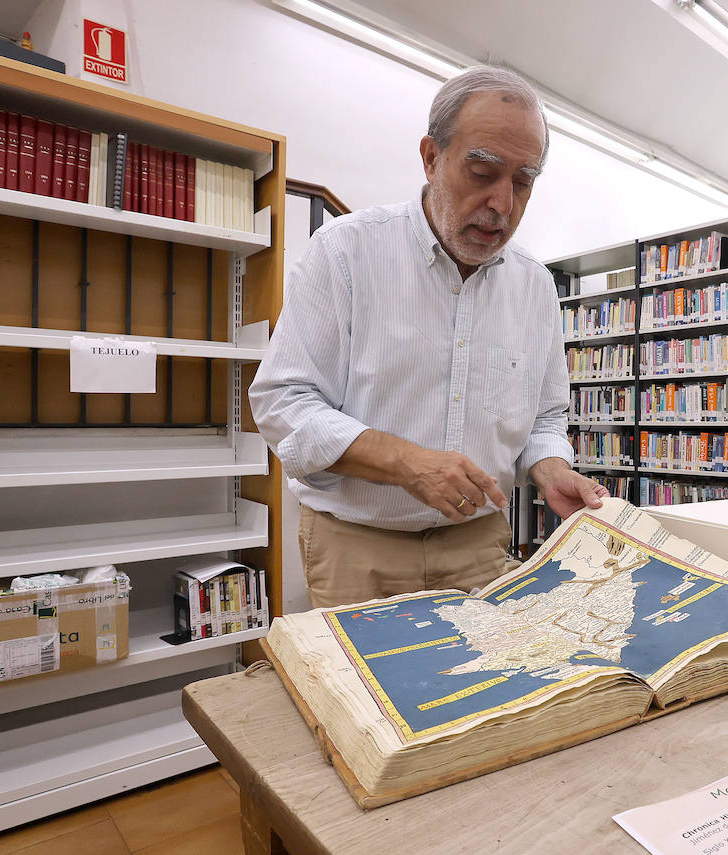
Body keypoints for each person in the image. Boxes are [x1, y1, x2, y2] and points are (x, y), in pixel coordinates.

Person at [250, 65, 608, 609]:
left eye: (523, 180)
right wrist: (406, 462)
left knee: (490, 692)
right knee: (365, 694)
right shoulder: (345, 252)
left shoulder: (534, 286)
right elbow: (284, 404)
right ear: (431, 157)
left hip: (480, 546)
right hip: (358, 549)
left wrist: (550, 466)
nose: (503, 204)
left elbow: (545, 417)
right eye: (482, 170)